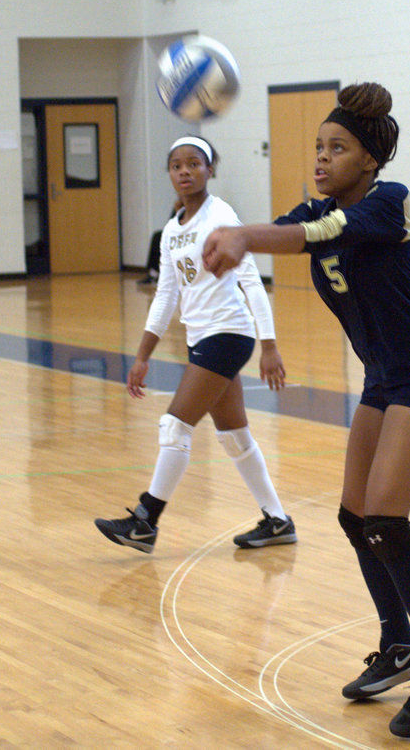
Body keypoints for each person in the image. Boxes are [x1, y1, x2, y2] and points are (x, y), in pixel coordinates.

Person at [202, 83, 410, 738]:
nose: (322, 158)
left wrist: (247, 233)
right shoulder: (318, 206)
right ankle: (399, 642)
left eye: (338, 148)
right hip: (382, 378)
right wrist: (234, 241)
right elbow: (302, 227)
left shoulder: (388, 202)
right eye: (319, 147)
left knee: (387, 515)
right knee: (357, 517)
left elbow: (323, 230)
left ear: (370, 159)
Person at [95, 135, 296, 553]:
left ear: (210, 169)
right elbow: (166, 295)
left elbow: (252, 281)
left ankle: (145, 520)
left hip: (228, 334)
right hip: (201, 337)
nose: (184, 171)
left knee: (175, 425)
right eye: (176, 165)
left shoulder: (220, 216)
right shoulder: (170, 232)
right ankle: (277, 521)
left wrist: (270, 344)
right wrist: (142, 356)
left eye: (194, 163)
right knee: (234, 436)